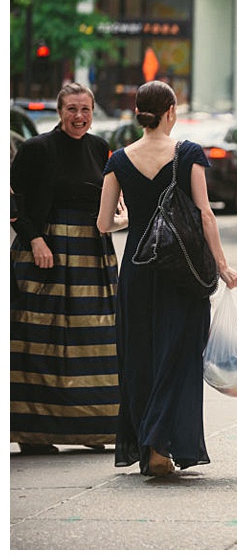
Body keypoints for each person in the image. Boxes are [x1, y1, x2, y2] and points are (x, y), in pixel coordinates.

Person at [97, 80, 237, 477]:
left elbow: (103, 223)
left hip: (137, 269)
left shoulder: (118, 159)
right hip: (180, 269)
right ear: (171, 111)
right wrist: (223, 266)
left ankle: (149, 445)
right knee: (178, 355)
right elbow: (205, 214)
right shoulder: (187, 153)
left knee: (140, 354)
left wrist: (130, 219)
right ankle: (162, 444)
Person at [10, 83, 121, 455]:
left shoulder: (99, 147)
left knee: (96, 340)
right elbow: (14, 200)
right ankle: (33, 434)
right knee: (42, 342)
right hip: (47, 253)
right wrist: (34, 239)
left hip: (92, 253)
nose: (79, 117)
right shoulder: (35, 149)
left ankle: (93, 427)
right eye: (72, 109)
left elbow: (107, 195)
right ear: (59, 112)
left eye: (85, 109)